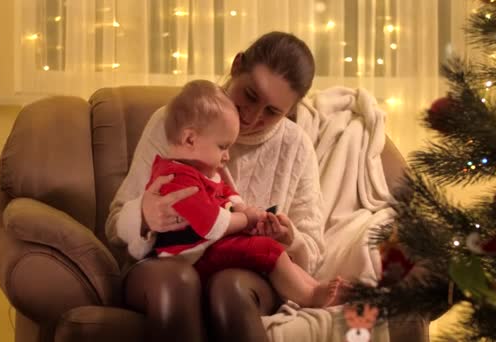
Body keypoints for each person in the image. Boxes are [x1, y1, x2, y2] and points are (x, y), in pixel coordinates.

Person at [106, 32, 324, 342]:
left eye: (273, 112)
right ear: (237, 66)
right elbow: (114, 224)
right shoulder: (174, 123)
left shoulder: (296, 146)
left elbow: (313, 249)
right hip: (165, 266)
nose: (252, 117)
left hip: (245, 274)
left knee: (230, 287)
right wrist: (142, 215)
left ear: (289, 111)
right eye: (250, 95)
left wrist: (291, 239)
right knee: (177, 280)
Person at [148, 79, 344, 309]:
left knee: (266, 245)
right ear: (190, 139)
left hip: (204, 249)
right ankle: (310, 296)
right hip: (189, 256)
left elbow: (225, 193)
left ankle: (314, 287)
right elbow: (211, 223)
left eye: (272, 110)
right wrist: (246, 219)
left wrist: (244, 209)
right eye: (223, 147)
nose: (227, 157)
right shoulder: (177, 179)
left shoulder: (198, 171)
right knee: (264, 249)